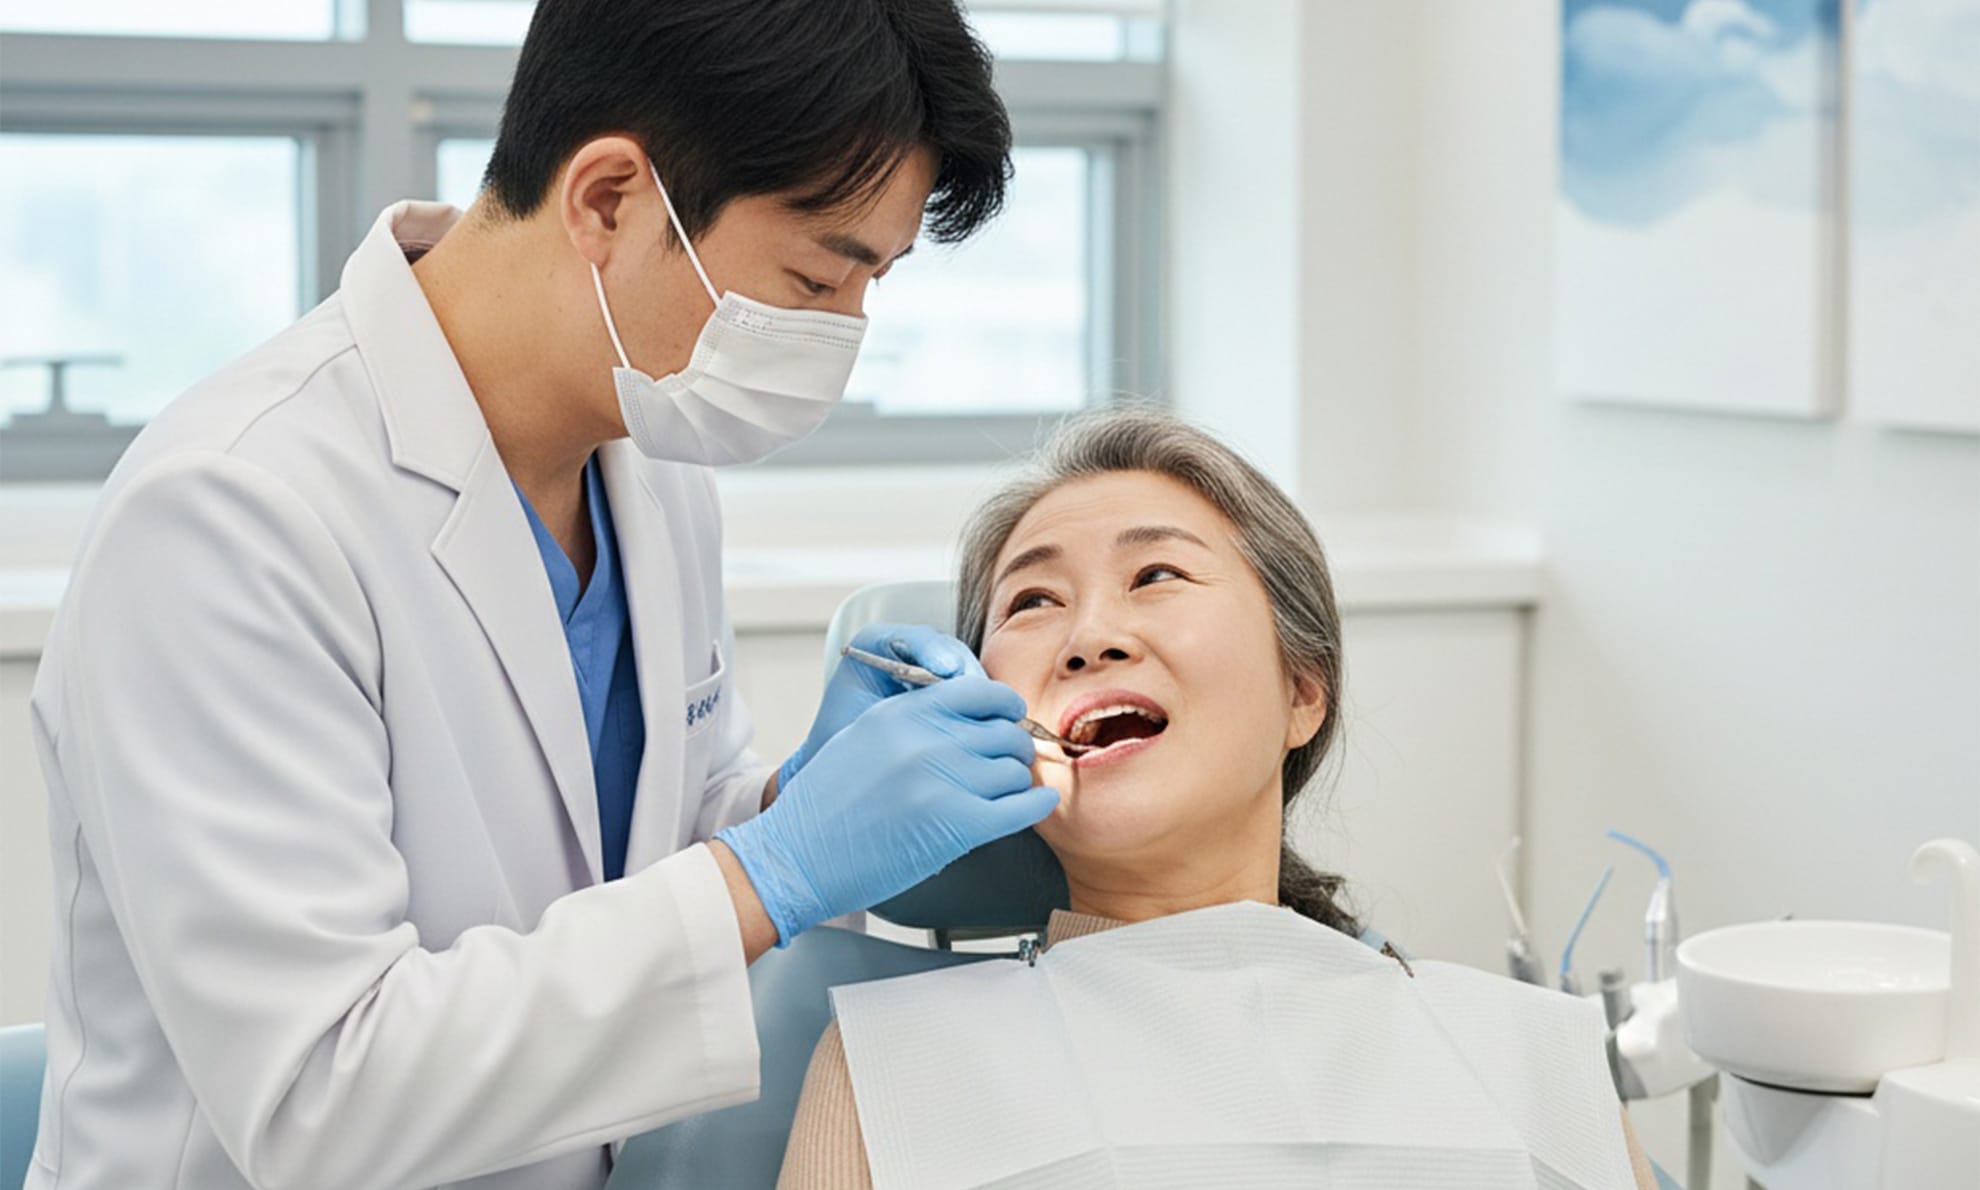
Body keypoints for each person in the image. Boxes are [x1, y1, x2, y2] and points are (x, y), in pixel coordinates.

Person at [24, 3, 1059, 1187]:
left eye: (873, 281)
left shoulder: (651, 452)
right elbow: (323, 1096)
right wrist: (775, 868)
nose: (845, 330)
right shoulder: (231, 513)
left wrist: (787, 800)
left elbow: (627, 845)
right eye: (818, 276)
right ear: (609, 199)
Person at [777, 409, 1658, 1189]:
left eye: (1156, 575)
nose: (1090, 637)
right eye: (1033, 600)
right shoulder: (889, 1068)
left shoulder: (1536, 1058)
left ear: (1302, 690)